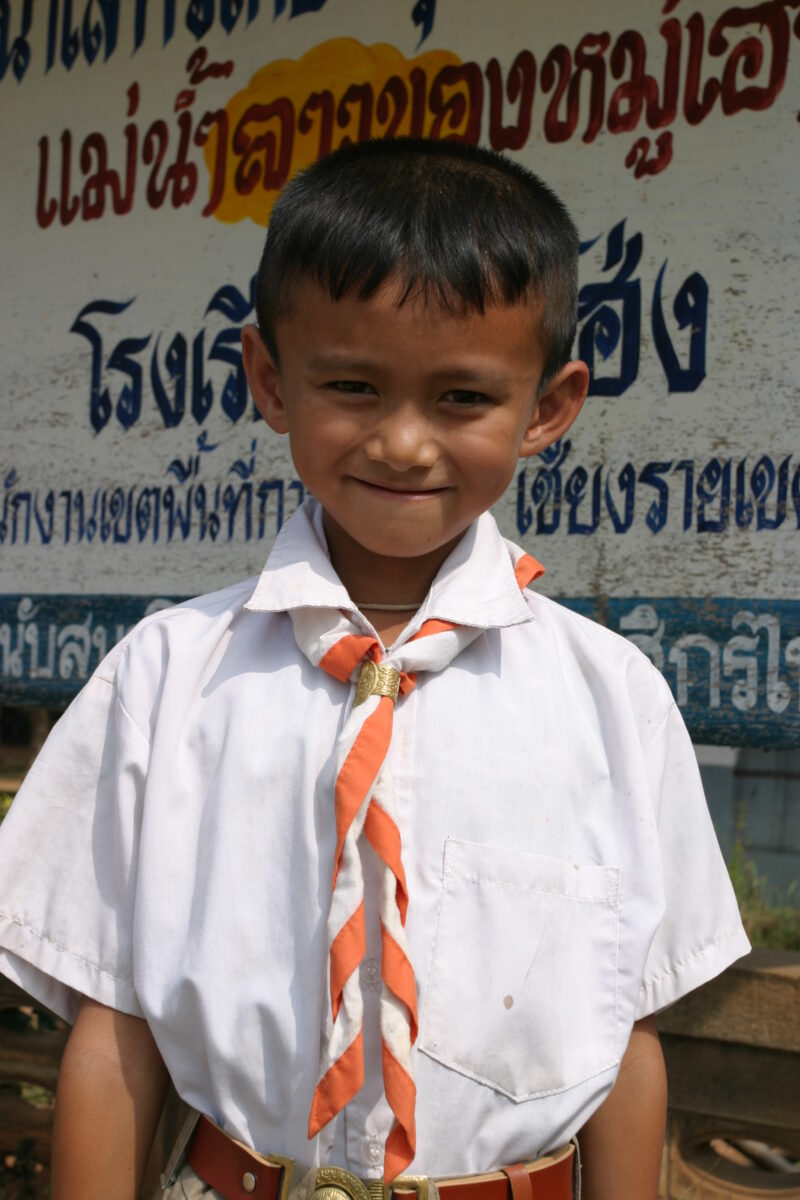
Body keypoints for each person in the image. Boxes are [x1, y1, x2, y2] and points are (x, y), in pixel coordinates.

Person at [0, 138, 749, 1200]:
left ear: (547, 406)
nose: (402, 443)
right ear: (268, 379)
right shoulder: (163, 680)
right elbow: (111, 1031)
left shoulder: (607, 698)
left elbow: (617, 1041)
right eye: (351, 384)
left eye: (460, 399)